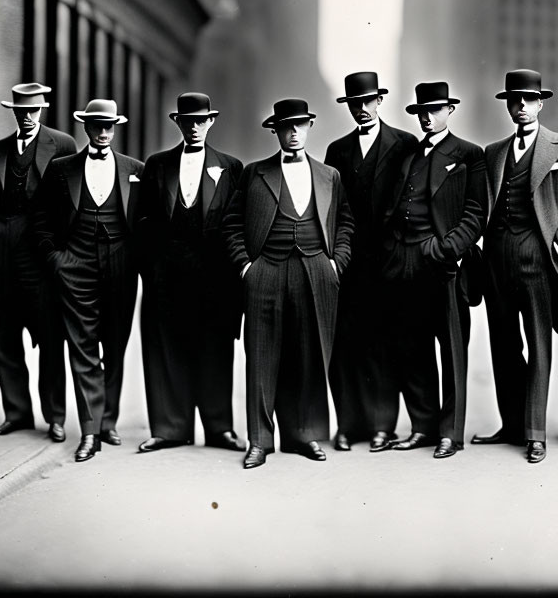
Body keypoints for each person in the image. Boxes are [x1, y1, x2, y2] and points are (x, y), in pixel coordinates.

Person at [223, 98, 353, 469]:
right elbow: (232, 225)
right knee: (262, 357)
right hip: (266, 270)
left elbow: (345, 223)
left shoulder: (330, 175)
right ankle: (260, 441)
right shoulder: (254, 173)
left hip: (315, 270)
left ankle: (304, 435)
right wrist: (247, 266)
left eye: (300, 125)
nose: (293, 132)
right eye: (286, 126)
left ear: (310, 127)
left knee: (309, 356)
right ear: (276, 131)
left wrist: (335, 263)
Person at [473, 69, 558, 463]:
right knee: (503, 346)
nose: (521, 106)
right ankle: (512, 425)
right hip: (498, 260)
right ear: (508, 106)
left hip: (540, 261)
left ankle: (536, 432)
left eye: (528, 99)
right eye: (514, 100)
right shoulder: (493, 153)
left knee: (539, 346)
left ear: (540, 103)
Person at [33, 99, 143, 462]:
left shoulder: (134, 170)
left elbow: (147, 225)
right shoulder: (61, 169)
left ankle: (108, 421)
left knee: (115, 345)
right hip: (75, 264)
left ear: (116, 128)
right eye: (96, 126)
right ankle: (91, 430)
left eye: (109, 126)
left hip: (121, 266)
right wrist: (57, 259)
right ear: (85, 128)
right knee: (83, 348)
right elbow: (41, 221)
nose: (103, 133)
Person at [380, 81, 486, 459]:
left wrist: (447, 249)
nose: (427, 116)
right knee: (412, 346)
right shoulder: (408, 156)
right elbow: (395, 206)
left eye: (435, 109)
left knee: (452, 349)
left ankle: (450, 434)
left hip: (443, 264)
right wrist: (394, 248)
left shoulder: (469, 154)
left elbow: (476, 213)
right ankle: (423, 427)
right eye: (422, 111)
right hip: (404, 259)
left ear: (449, 110)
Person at [136, 92, 244, 454]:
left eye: (201, 120)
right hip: (166, 278)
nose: (195, 127)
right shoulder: (158, 165)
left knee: (214, 351)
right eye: (188, 121)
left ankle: (219, 428)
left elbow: (236, 226)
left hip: (214, 280)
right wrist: (151, 271)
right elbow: (144, 223)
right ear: (178, 123)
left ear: (211, 122)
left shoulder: (231, 167)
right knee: (167, 350)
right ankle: (170, 428)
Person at [0, 82, 76, 443]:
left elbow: (70, 205)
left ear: (42, 110)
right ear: (14, 112)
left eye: (34, 111)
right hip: (1, 259)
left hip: (41, 262)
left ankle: (55, 416)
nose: (28, 117)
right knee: (4, 337)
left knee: (50, 340)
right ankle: (16, 413)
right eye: (22, 111)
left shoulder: (62, 145)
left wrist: (58, 255)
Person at [324, 71, 418, 452]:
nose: (362, 109)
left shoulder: (405, 144)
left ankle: (382, 425)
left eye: (368, 101)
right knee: (346, 346)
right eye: (354, 104)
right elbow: (331, 211)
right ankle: (348, 425)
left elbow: (413, 204)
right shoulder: (337, 151)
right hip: (348, 266)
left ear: (379, 101)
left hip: (389, 264)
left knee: (383, 345)